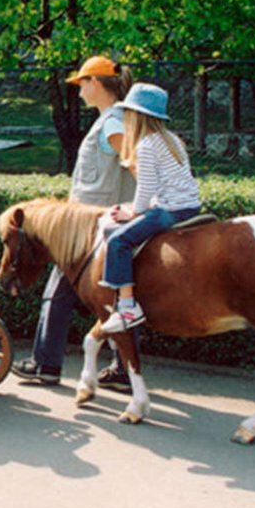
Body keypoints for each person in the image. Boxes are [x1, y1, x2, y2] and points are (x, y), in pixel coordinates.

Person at [11, 55, 138, 388]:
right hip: (98, 226)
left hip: (89, 230)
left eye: (81, 84)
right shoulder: (115, 118)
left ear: (95, 84)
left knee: (57, 293)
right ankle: (123, 370)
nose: (79, 91)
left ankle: (45, 364)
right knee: (109, 301)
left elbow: (133, 161)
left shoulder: (112, 122)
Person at [98, 82, 201, 333]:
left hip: (170, 210)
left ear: (137, 117)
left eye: (128, 114)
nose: (125, 118)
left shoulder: (146, 146)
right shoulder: (173, 140)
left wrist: (132, 213)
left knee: (117, 241)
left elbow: (146, 188)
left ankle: (127, 307)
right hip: (191, 206)